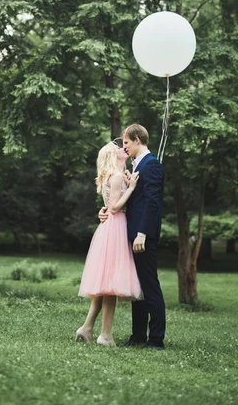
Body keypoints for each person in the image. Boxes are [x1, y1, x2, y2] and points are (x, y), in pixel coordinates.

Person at [99, 124, 166, 350]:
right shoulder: (137, 165)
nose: (124, 147)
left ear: (137, 140)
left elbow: (152, 203)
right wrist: (105, 211)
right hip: (130, 233)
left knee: (149, 286)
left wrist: (142, 233)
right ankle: (138, 335)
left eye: (126, 142)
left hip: (142, 235)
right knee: (138, 289)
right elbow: (124, 200)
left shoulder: (152, 165)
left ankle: (155, 339)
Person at [76, 141, 142, 346]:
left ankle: (86, 328)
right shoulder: (116, 177)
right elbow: (114, 208)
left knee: (106, 284)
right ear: (113, 156)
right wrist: (131, 188)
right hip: (116, 228)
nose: (122, 149)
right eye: (117, 149)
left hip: (110, 228)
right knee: (111, 285)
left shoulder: (113, 176)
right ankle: (105, 335)